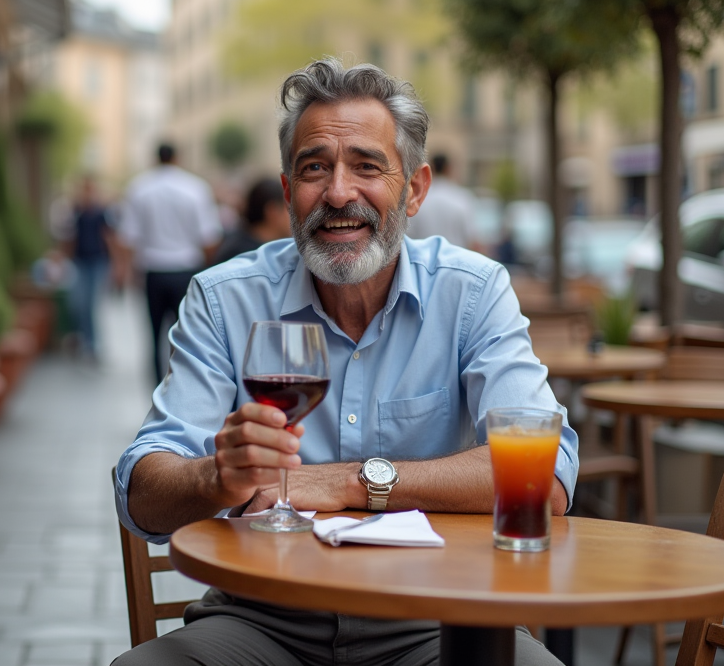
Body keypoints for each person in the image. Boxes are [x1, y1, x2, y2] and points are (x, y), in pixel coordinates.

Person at [113, 58, 577, 666]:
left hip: (438, 615)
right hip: (262, 618)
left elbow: (544, 477)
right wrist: (215, 476)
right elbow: (141, 494)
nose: (337, 193)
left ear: (414, 189)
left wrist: (348, 481)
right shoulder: (225, 298)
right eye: (314, 168)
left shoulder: (472, 292)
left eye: (367, 166)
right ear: (287, 192)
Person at [119, 142, 224, 385]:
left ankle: (156, 389)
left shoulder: (139, 188)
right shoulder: (195, 187)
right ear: (177, 158)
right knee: (187, 335)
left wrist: (128, 271)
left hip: (153, 270)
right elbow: (209, 237)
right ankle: (182, 386)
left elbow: (128, 237)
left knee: (153, 336)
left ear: (156, 158)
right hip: (186, 270)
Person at [67, 175, 113, 361]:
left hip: (97, 262)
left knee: (92, 304)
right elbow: (70, 237)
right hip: (80, 262)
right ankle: (84, 339)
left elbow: (108, 237)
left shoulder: (101, 213)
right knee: (79, 303)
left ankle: (93, 344)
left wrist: (117, 264)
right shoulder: (77, 212)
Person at [212, 177, 292, 264]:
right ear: (273, 211)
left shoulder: (273, 249)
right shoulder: (242, 255)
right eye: (290, 208)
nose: (294, 216)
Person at [405, 152, 476, 249]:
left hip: (421, 255)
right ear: (448, 169)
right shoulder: (462, 198)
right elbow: (471, 238)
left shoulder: (417, 198)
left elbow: (409, 233)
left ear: (431, 168)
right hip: (455, 255)